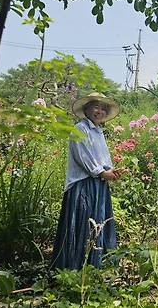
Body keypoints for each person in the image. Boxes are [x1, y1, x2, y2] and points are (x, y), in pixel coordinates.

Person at [51, 92, 123, 270]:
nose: (99, 111)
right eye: (95, 106)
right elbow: (84, 156)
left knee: (98, 222)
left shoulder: (98, 132)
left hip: (98, 183)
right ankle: (75, 267)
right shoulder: (81, 129)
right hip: (84, 185)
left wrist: (111, 171)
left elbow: (102, 158)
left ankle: (94, 266)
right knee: (84, 223)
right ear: (86, 110)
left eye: (102, 108)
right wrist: (101, 172)